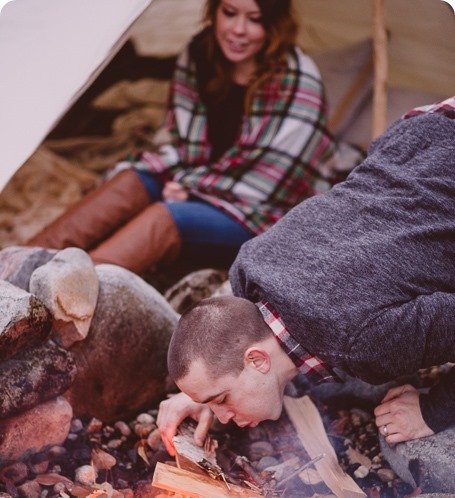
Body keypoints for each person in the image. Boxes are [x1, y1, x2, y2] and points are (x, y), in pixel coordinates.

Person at [157, 96, 455, 453]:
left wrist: (432, 410)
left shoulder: (365, 344)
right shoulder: (250, 266)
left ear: (257, 360)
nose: (222, 416)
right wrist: (201, 392)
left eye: (222, 400)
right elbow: (219, 336)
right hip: (424, 131)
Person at [27, 0, 337, 275]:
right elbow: (181, 143)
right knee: (130, 181)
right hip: (197, 178)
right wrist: (186, 183)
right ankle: (20, 266)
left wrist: (191, 189)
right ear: (213, 11)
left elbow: (271, 183)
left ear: (274, 23)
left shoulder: (298, 81)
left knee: (164, 218)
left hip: (260, 212)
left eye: (254, 19)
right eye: (229, 13)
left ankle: (66, 293)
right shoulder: (200, 54)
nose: (239, 29)